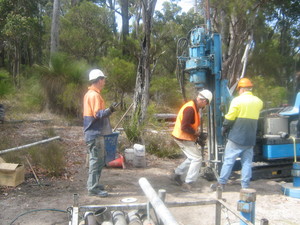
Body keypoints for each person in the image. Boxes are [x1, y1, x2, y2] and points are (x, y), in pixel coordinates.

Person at [211, 78, 263, 191]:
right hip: (250, 138)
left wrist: (224, 127)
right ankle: (245, 186)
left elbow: (230, 117)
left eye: (239, 90)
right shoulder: (259, 102)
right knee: (247, 163)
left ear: (242, 89)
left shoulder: (237, 100)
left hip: (237, 137)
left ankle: (221, 183)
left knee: (229, 160)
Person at [83, 69, 118, 197]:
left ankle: (95, 184)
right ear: (98, 80)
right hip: (94, 133)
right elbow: (98, 114)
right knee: (96, 161)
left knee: (98, 160)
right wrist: (110, 110)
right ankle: (92, 188)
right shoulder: (94, 95)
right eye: (103, 79)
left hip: (94, 133)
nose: (104, 82)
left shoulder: (90, 94)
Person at [171, 89, 213, 191]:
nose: (205, 106)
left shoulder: (194, 107)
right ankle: (188, 183)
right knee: (197, 158)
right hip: (182, 137)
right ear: (204, 101)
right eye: (206, 104)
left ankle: (177, 174)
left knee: (192, 157)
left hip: (184, 137)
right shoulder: (190, 108)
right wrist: (196, 134)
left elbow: (190, 125)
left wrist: (196, 137)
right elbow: (184, 127)